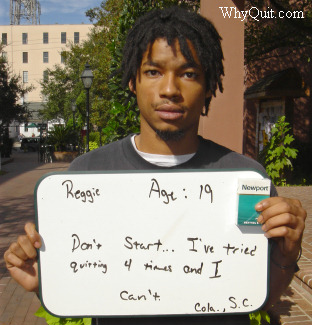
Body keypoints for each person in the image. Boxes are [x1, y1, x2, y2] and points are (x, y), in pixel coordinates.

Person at [3, 6, 306, 325]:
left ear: (208, 86)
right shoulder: (86, 176)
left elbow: (259, 297)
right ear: (133, 81)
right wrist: (48, 280)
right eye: (153, 71)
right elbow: (80, 287)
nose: (170, 89)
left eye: (189, 74)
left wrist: (286, 254)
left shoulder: (245, 181)